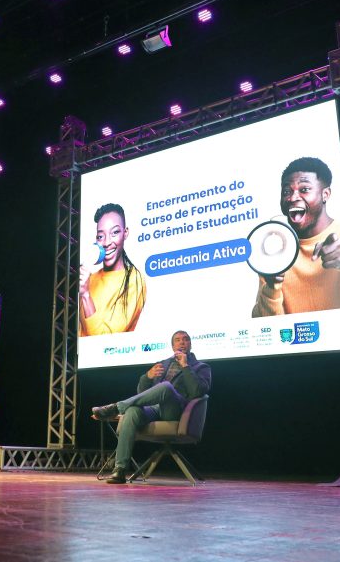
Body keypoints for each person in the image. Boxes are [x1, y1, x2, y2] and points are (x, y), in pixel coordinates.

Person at [91, 330, 212, 484]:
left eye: (185, 339)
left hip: (176, 411)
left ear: (190, 344)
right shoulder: (163, 363)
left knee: (166, 387)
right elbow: (142, 394)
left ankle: (115, 408)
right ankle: (119, 470)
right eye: (177, 340)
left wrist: (185, 366)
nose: (181, 342)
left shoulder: (201, 367)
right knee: (133, 410)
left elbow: (197, 391)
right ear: (172, 345)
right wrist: (147, 377)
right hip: (154, 409)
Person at [251, 157, 340, 317]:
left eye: (304, 189)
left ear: (325, 194)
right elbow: (265, 327)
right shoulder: (274, 251)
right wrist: (272, 288)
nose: (293, 198)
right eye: (287, 191)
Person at [79, 203, 147, 336]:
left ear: (125, 233)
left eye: (114, 232)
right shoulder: (89, 279)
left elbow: (104, 338)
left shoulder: (135, 279)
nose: (106, 243)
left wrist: (86, 295)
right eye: (100, 236)